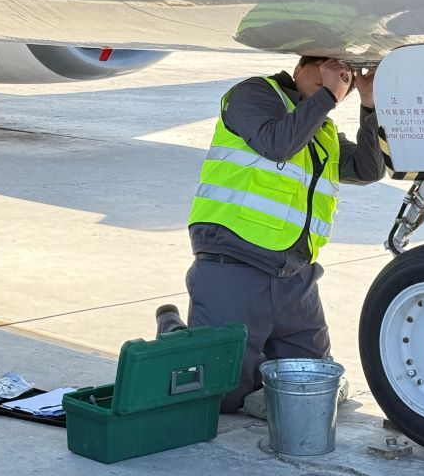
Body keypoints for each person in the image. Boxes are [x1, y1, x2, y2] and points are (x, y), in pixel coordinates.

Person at [157, 57, 385, 417]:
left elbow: (367, 169)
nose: (337, 76)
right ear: (299, 68)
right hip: (235, 263)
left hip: (294, 278)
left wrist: (368, 105)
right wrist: (327, 95)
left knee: (311, 385)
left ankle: (253, 353)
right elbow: (276, 144)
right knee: (219, 399)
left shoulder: (318, 126)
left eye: (343, 72)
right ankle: (173, 332)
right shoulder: (253, 94)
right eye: (326, 67)